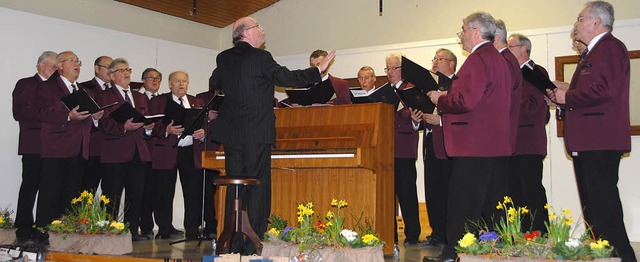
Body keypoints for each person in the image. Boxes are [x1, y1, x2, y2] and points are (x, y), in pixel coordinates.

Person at [208, 16, 335, 254]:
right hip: (257, 131)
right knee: (257, 187)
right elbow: (288, 78)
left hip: (232, 134)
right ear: (246, 33)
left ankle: (232, 243)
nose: (262, 30)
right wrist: (317, 70)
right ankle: (253, 244)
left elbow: (215, 82)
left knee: (236, 187)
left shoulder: (223, 58)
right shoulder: (261, 57)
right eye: (258, 27)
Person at [549, 1, 636, 260]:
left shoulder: (609, 48)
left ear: (596, 22)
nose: (575, 24)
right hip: (588, 141)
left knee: (604, 208)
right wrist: (562, 98)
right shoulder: (593, 52)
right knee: (594, 211)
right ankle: (605, 255)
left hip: (600, 141)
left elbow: (604, 90)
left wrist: (568, 97)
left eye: (580, 18)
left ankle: (623, 256)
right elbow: (594, 91)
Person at [424, 12, 512, 262]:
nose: (460, 35)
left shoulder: (477, 59)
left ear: (475, 31)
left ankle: (453, 255)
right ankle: (490, 254)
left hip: (473, 145)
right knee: (492, 207)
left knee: (463, 204)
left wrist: (440, 98)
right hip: (494, 145)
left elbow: (465, 100)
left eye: (462, 30)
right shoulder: (498, 59)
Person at [34, 51, 104, 244]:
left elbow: (87, 121)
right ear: (60, 65)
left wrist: (95, 118)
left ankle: (65, 235)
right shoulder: (48, 87)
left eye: (78, 61)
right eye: (72, 61)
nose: (77, 65)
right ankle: (43, 235)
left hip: (80, 149)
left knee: (71, 196)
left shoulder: (84, 91)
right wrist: (67, 116)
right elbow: (42, 112)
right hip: (56, 149)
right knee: (50, 193)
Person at [97, 58, 154, 242]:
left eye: (128, 69)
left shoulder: (140, 96)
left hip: (139, 151)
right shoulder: (104, 96)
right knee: (112, 194)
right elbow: (103, 124)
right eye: (121, 70)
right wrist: (123, 128)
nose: (127, 73)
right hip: (115, 151)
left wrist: (149, 127)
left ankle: (131, 231)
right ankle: (110, 230)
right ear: (112, 76)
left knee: (135, 193)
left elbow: (146, 121)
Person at [148, 71, 207, 240]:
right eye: (177, 81)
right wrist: (167, 130)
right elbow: (152, 126)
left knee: (193, 191)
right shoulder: (159, 101)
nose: (181, 84)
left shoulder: (197, 101)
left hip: (190, 151)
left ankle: (193, 229)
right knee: (164, 191)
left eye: (184, 81)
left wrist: (202, 133)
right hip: (168, 150)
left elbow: (205, 125)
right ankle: (164, 228)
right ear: (170, 84)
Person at [12, 51, 57, 244]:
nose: (55, 70)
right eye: (53, 66)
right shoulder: (26, 84)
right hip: (34, 144)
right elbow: (19, 112)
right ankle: (23, 227)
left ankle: (44, 226)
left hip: (55, 145)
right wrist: (46, 112)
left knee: (50, 188)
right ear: (40, 65)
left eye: (57, 67)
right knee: (30, 186)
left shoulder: (57, 88)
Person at [507, 33, 550, 233]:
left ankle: (539, 232)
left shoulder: (534, 72)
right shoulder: (514, 73)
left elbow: (531, 106)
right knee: (516, 192)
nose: (507, 51)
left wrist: (504, 98)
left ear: (524, 49)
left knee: (531, 190)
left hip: (529, 142)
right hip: (515, 143)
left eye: (511, 47)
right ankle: (524, 233)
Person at [420, 48, 457, 247]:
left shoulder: (458, 84)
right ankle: (436, 232)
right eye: (434, 58)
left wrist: (440, 120)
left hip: (448, 143)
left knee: (448, 190)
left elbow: (461, 110)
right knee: (432, 190)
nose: (435, 62)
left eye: (439, 59)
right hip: (429, 142)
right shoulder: (429, 85)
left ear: (451, 63)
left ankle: (449, 234)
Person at [384, 52, 422, 246]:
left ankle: (413, 235)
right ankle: (390, 235)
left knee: (407, 194)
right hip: (385, 150)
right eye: (388, 68)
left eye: (394, 68)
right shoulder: (382, 92)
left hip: (404, 149)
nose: (390, 72)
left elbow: (418, 117)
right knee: (387, 195)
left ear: (403, 70)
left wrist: (414, 120)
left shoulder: (412, 90)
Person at [80, 55, 113, 193]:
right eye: (108, 67)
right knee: (87, 191)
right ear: (96, 68)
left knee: (111, 193)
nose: (111, 71)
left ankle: (107, 216)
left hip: (114, 149)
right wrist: (94, 119)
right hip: (94, 147)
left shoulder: (118, 92)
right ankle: (83, 216)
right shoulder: (84, 88)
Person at [138, 67, 163, 238]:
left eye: (158, 78)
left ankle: (162, 225)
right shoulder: (137, 98)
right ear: (143, 80)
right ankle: (145, 226)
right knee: (142, 190)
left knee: (158, 190)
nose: (154, 81)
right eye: (151, 77)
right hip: (142, 150)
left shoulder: (164, 100)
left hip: (160, 152)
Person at [195, 89, 222, 239]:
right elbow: (197, 121)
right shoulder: (202, 98)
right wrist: (208, 117)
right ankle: (210, 225)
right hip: (210, 148)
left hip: (228, 146)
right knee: (208, 191)